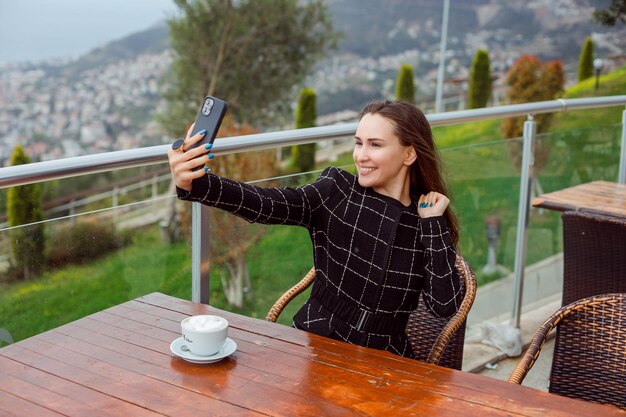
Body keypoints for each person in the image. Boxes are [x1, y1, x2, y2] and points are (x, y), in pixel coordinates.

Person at [168, 100, 462, 359]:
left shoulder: (425, 221)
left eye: (375, 145)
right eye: (358, 142)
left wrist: (433, 225)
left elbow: (444, 306)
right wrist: (196, 183)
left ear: (409, 154)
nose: (360, 155)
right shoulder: (337, 191)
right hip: (314, 342)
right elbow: (269, 204)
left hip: (385, 360)